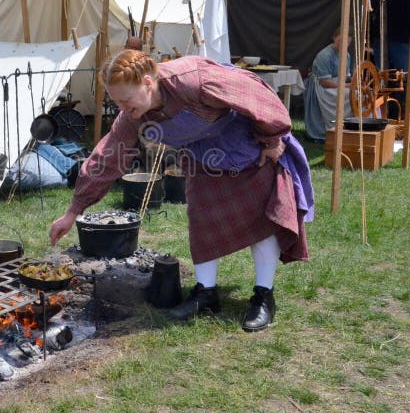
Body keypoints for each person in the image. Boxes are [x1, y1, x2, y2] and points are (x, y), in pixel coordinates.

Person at [49, 50, 314, 331]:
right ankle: (205, 294)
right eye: (116, 102)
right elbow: (108, 156)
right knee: (202, 223)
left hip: (247, 150)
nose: (122, 108)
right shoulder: (134, 115)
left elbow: (256, 94)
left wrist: (271, 138)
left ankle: (263, 296)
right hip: (204, 159)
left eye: (126, 100)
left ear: (148, 83)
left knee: (261, 225)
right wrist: (73, 211)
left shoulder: (192, 80)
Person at [304, 28, 353, 142]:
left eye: (347, 42)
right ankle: (335, 128)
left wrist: (353, 82)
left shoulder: (347, 55)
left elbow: (346, 76)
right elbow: (325, 82)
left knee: (357, 94)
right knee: (350, 95)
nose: (344, 44)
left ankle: (353, 129)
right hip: (322, 88)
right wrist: (347, 86)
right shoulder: (324, 55)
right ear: (334, 38)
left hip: (336, 85)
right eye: (341, 41)